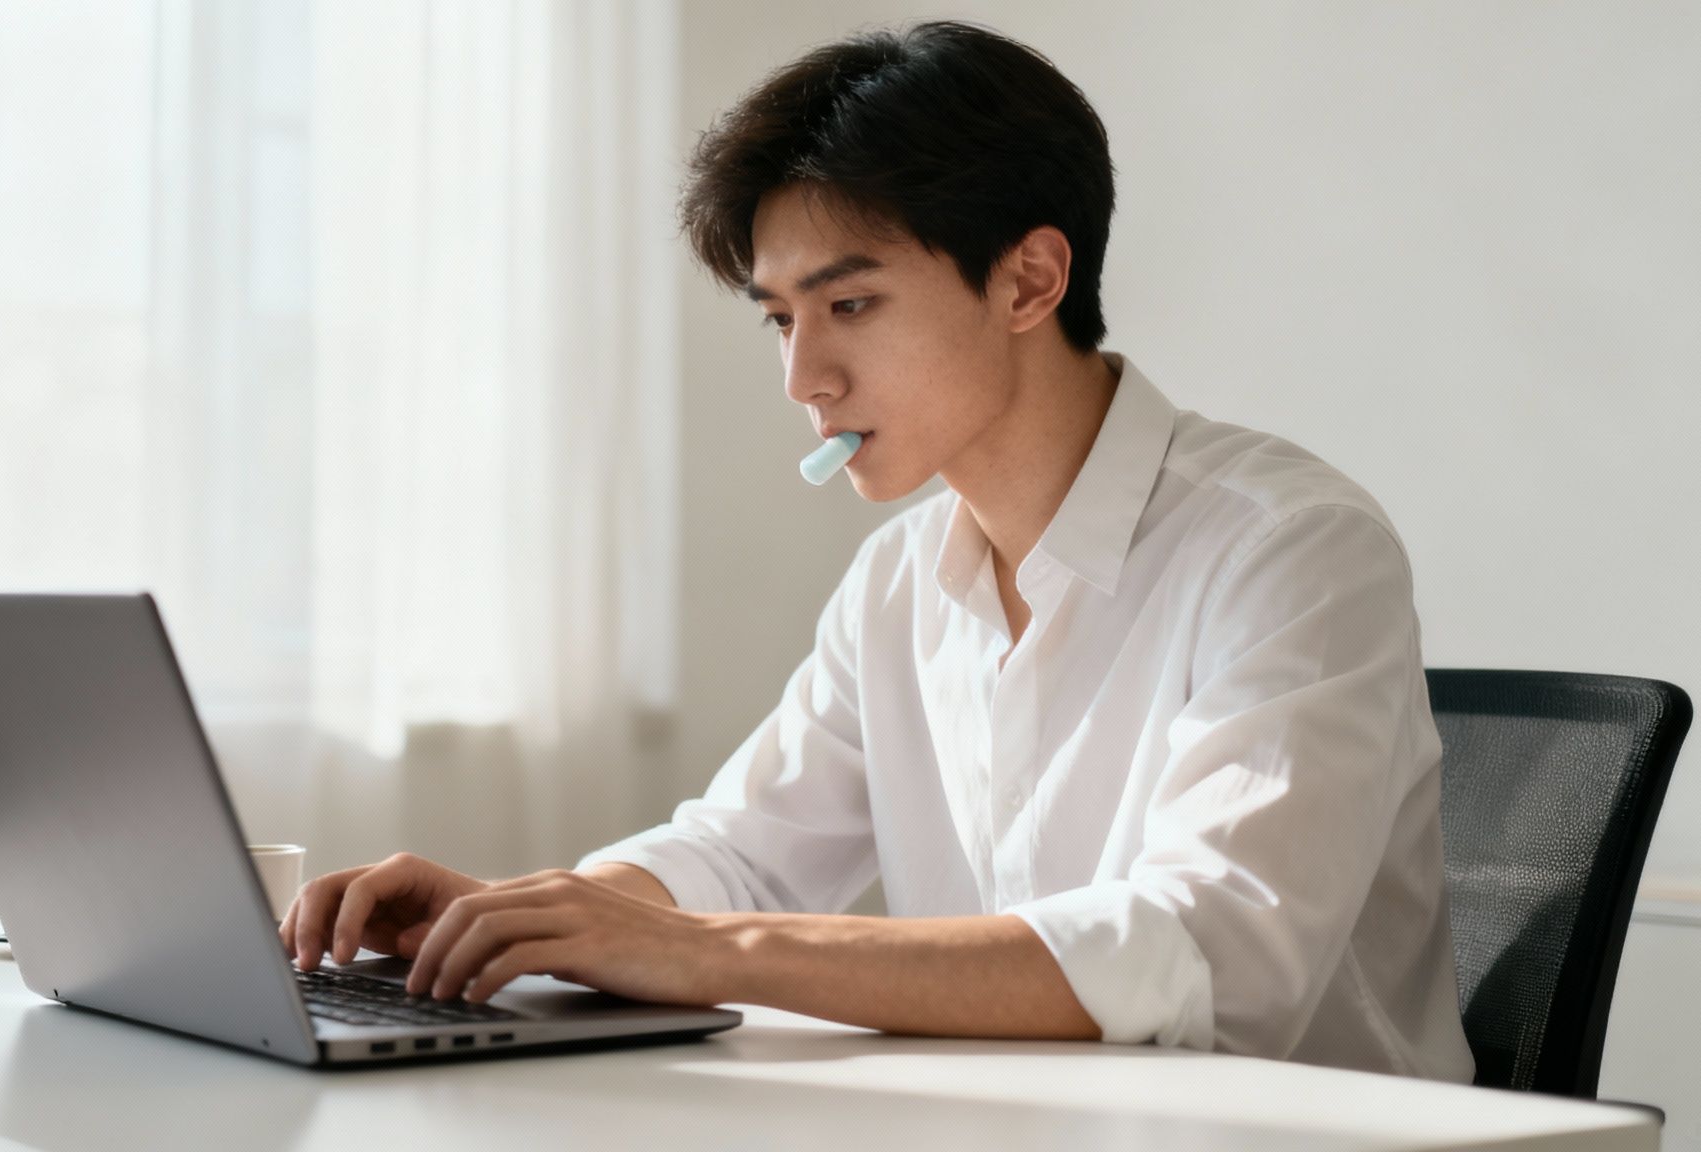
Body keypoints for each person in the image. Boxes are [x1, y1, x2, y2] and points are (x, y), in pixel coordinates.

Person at [280, 19, 1475, 1082]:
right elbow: (741, 857)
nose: (804, 379)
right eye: (779, 319)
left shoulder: (1290, 550)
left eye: (848, 306)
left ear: (1028, 278)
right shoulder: (900, 582)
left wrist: (710, 953)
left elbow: (1208, 957)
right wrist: (521, 915)